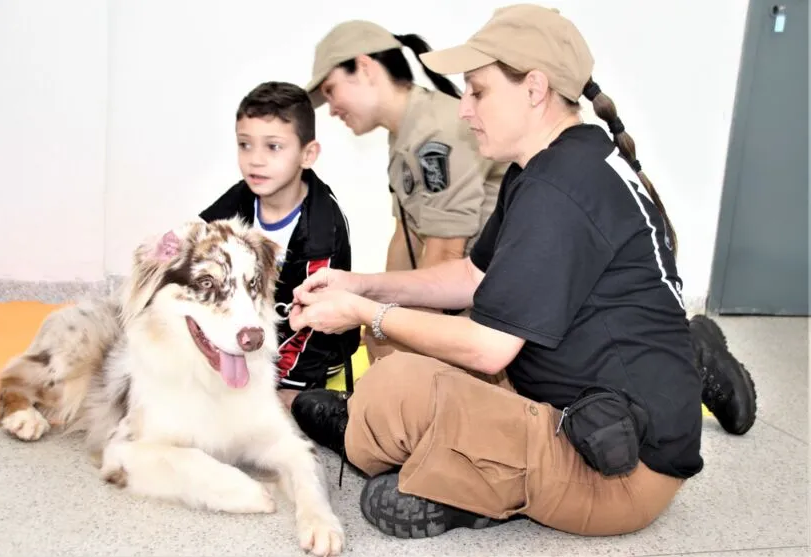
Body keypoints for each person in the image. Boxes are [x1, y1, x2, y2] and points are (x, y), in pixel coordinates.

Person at [283, 4, 757, 541]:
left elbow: (489, 348)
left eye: (477, 91)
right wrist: (361, 284)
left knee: (399, 383)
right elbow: (471, 276)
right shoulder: (550, 164)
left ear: (534, 89)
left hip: (620, 470)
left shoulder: (559, 187)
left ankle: (443, 474)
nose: (464, 110)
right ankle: (415, 453)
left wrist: (366, 313)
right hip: (587, 401)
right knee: (409, 361)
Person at [304, 20, 510, 362]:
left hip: (493, 312)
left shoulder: (436, 132)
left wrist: (391, 332)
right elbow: (407, 237)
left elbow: (445, 252)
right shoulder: (405, 132)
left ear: (365, 68)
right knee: (377, 336)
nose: (332, 107)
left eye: (330, 90)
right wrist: (378, 313)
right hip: (465, 295)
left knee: (388, 348)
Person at [198, 81, 360, 409]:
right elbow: (201, 246)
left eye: (273, 147)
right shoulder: (240, 198)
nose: (255, 160)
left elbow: (315, 326)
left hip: (310, 353)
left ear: (307, 154)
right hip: (254, 332)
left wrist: (278, 383)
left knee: (291, 409)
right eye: (245, 145)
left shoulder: (321, 233)